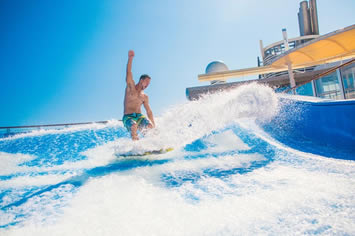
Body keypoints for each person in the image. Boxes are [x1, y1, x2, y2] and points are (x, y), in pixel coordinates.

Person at [122, 50, 155, 140]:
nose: (147, 85)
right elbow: (129, 73)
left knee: (149, 126)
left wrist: (153, 125)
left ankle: (151, 143)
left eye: (149, 84)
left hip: (139, 116)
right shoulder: (130, 87)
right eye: (146, 82)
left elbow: (149, 112)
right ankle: (135, 145)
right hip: (128, 116)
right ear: (141, 80)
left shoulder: (144, 96)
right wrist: (130, 59)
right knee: (133, 125)